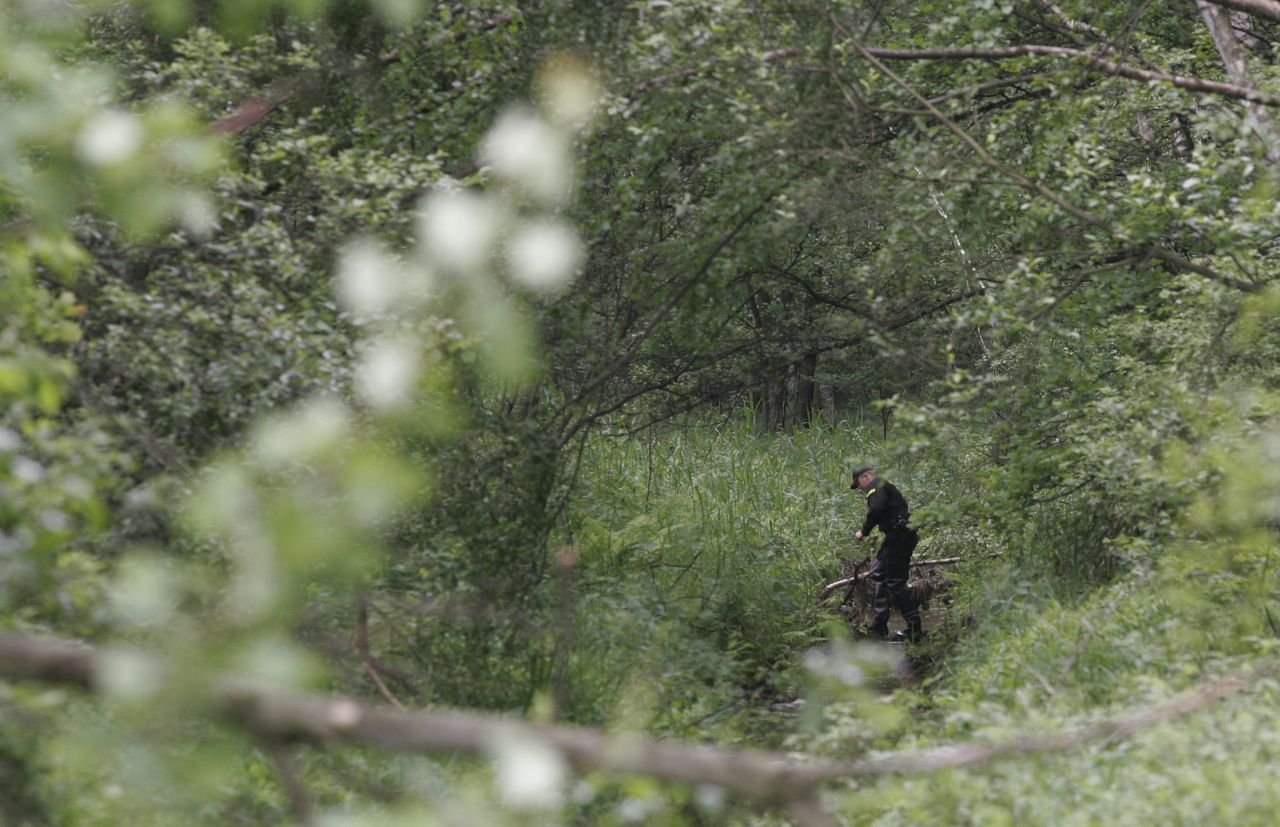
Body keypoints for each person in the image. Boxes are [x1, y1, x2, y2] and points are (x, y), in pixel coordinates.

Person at [851, 466, 923, 643]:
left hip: (899, 538)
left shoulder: (876, 486)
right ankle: (879, 626)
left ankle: (915, 631)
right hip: (896, 537)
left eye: (859, 483)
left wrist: (864, 531)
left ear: (866, 476)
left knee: (896, 583)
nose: (859, 488)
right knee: (880, 574)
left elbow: (877, 509)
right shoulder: (883, 485)